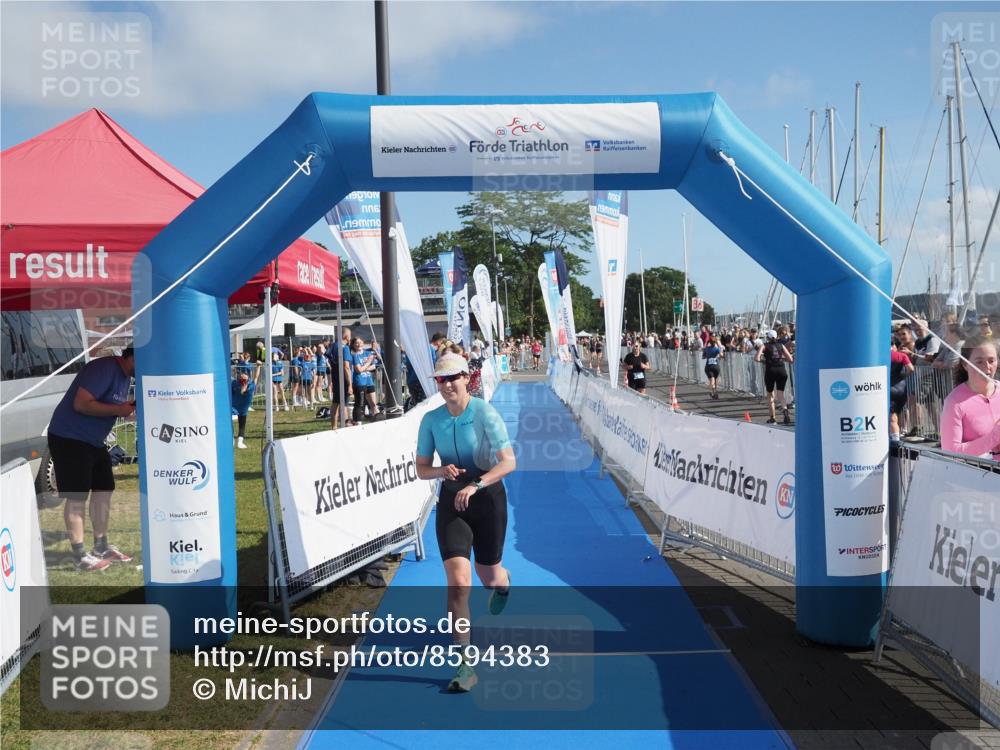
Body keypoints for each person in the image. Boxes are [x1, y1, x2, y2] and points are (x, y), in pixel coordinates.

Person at [414, 352, 516, 692]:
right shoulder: (431, 420)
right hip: (452, 502)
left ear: (466, 378)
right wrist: (442, 471)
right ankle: (465, 665)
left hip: (487, 499)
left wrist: (476, 483)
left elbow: (509, 463)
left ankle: (503, 582)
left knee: (488, 577)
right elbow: (421, 469)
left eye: (452, 378)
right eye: (441, 380)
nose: (446, 385)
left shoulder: (485, 413)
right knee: (458, 582)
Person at [47, 347, 136, 571]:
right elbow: (82, 403)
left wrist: (127, 410)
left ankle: (101, 547)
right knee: (77, 496)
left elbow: (112, 408)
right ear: (132, 357)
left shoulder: (124, 376)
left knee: (104, 489)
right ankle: (80, 557)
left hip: (93, 441)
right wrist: (119, 408)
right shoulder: (104, 368)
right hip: (70, 437)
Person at [940, 336, 1000, 460]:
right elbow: (951, 451)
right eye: (979, 361)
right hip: (979, 474)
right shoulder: (954, 402)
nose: (987, 366)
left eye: (991, 360)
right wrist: (994, 437)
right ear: (965, 364)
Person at [755, 330, 793, 424]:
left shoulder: (764, 345)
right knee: (780, 394)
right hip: (781, 370)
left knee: (770, 395)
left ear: (767, 337)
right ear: (776, 337)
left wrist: (764, 360)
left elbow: (756, 358)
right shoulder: (781, 345)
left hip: (770, 370)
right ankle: (785, 411)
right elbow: (790, 359)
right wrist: (780, 358)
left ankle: (773, 418)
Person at [889, 338, 915, 442]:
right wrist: (903, 376)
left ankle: (894, 440)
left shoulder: (881, 355)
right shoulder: (902, 356)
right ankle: (896, 437)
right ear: (893, 345)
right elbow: (911, 369)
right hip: (901, 389)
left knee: (891, 418)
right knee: (895, 414)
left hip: (888, 389)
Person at [350, 337, 381, 423]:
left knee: (374, 404)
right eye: (356, 343)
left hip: (369, 381)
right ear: (353, 345)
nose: (359, 344)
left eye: (360, 342)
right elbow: (358, 370)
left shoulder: (368, 353)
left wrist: (365, 368)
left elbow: (375, 366)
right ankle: (357, 421)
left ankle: (375, 419)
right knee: (360, 403)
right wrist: (368, 363)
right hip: (360, 382)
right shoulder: (354, 355)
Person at [231, 372, 255, 449]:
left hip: (243, 409)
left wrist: (258, 367)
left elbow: (256, 377)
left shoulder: (251, 386)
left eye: (244, 379)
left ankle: (240, 441)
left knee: (242, 425)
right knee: (230, 422)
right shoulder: (235, 383)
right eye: (241, 378)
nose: (242, 380)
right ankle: (232, 439)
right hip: (234, 407)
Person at [702, 335, 724, 400]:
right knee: (714, 381)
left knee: (712, 381)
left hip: (708, 367)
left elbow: (703, 357)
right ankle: (714, 392)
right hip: (715, 366)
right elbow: (722, 355)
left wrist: (708, 356)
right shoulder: (717, 349)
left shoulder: (707, 349)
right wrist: (719, 355)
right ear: (715, 343)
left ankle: (712, 392)